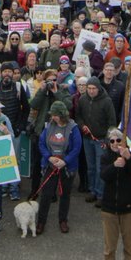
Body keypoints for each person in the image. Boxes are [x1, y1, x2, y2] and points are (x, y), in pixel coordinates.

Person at [96, 127, 131, 260]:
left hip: (129, 208)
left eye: (118, 140)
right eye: (112, 141)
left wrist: (128, 159)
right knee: (109, 247)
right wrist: (115, 165)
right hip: (109, 208)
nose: (115, 143)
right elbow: (104, 176)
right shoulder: (106, 157)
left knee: (129, 246)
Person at [36, 99, 82, 235]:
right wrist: (49, 157)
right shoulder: (48, 126)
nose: (53, 117)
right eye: (52, 114)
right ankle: (41, 221)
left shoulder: (73, 128)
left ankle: (63, 220)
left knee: (65, 194)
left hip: (66, 167)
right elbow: (42, 144)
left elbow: (76, 148)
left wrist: (65, 161)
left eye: (55, 114)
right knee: (46, 194)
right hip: (51, 164)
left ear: (62, 114)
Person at [76, 77, 117, 205]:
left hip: (101, 140)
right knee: (91, 167)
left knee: (100, 168)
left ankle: (100, 194)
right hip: (87, 138)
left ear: (98, 88)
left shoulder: (107, 101)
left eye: (93, 88)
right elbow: (78, 117)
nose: (91, 91)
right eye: (89, 88)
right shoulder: (82, 100)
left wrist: (107, 140)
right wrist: (82, 125)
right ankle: (92, 190)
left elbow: (112, 122)